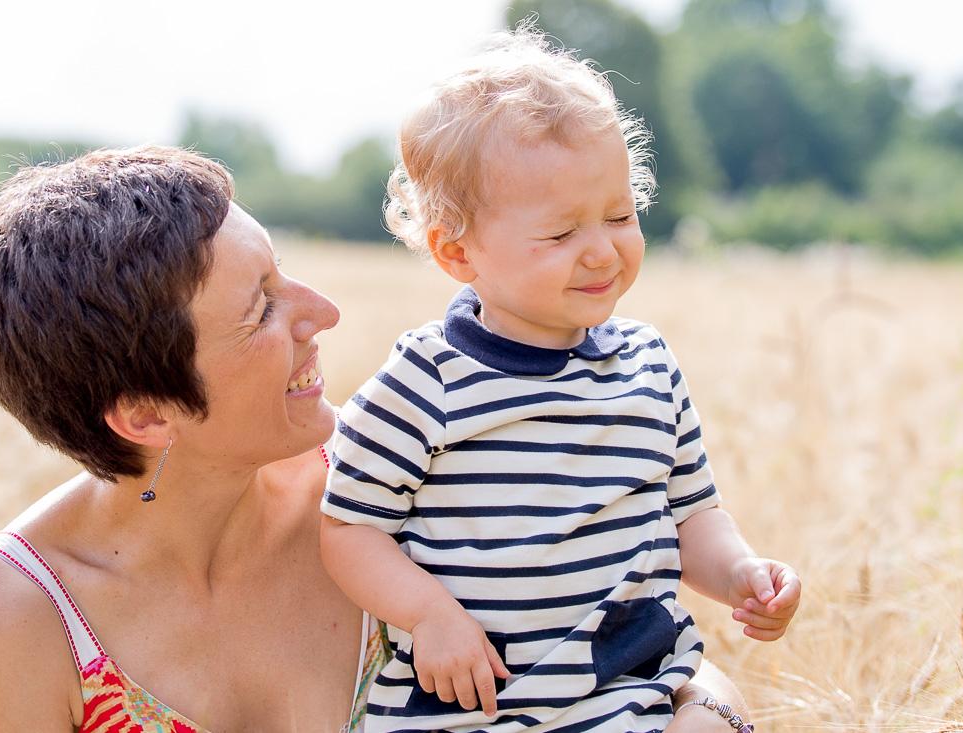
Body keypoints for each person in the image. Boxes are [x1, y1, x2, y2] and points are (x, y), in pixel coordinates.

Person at [0, 145, 749, 732]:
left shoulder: (396, 486)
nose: (322, 311)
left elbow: (640, 649)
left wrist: (717, 716)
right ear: (147, 413)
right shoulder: (22, 615)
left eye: (282, 270)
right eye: (262, 307)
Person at [319, 26, 801, 733]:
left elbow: (692, 514)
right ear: (457, 252)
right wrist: (427, 613)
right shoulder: (426, 379)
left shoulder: (648, 364)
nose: (603, 248)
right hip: (471, 704)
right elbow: (350, 527)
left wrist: (740, 574)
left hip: (627, 693)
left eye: (620, 214)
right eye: (560, 233)